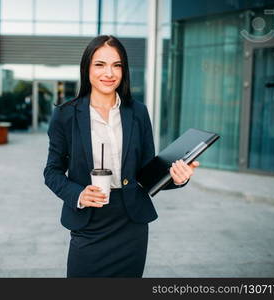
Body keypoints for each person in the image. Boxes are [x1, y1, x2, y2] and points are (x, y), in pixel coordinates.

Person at [43, 35, 199, 277]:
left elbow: (147, 173)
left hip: (131, 224)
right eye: (100, 64)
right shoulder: (65, 114)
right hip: (88, 222)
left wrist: (177, 178)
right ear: (87, 68)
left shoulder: (138, 112)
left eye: (117, 65)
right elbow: (51, 172)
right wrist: (79, 194)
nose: (109, 73)